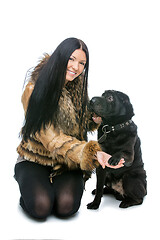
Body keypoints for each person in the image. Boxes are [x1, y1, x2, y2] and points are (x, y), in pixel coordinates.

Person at [15, 37, 124, 220]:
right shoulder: (34, 89)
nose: (76, 67)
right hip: (36, 158)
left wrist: (95, 118)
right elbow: (51, 138)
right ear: (60, 57)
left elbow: (80, 123)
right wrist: (91, 153)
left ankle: (55, 186)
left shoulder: (77, 86)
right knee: (41, 207)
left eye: (82, 63)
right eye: (71, 59)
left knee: (66, 207)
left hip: (68, 161)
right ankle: (29, 188)